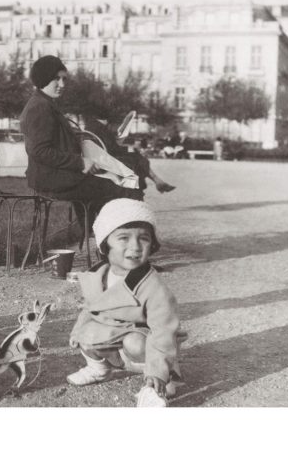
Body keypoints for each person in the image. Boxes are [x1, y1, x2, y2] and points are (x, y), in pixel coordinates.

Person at [66, 198, 183, 407]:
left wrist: (158, 372)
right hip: (115, 338)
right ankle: (98, 368)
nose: (135, 247)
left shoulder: (152, 286)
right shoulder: (97, 276)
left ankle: (164, 377)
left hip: (144, 344)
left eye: (144, 238)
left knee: (135, 342)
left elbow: (164, 331)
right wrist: (78, 331)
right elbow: (89, 309)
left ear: (153, 244)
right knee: (87, 332)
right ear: (104, 243)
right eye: (123, 238)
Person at [19, 55, 144, 231]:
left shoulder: (44, 104)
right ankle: (117, 241)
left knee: (118, 177)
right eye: (56, 79)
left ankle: (102, 236)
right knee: (121, 188)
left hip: (54, 175)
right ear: (43, 78)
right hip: (51, 179)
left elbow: (52, 141)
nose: (62, 85)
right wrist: (80, 162)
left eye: (64, 79)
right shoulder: (40, 107)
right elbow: (39, 151)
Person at [83, 112, 175, 193]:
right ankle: (156, 181)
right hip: (108, 159)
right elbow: (113, 149)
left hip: (99, 158)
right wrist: (130, 149)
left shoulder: (90, 127)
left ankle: (157, 181)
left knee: (136, 156)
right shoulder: (101, 128)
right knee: (137, 157)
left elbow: (108, 146)